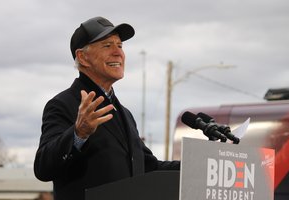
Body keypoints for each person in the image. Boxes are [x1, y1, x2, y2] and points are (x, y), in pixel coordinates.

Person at [34, 16, 180, 200]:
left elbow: (149, 167)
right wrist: (79, 134)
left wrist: (197, 166)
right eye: (107, 45)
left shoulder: (125, 114)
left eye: (120, 46)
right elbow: (43, 168)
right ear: (83, 57)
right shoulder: (63, 104)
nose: (118, 52)